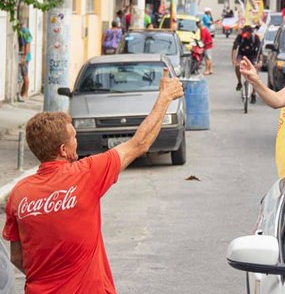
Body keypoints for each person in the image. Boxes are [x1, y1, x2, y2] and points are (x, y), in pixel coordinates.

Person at [2, 69, 183, 293]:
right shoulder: (86, 173)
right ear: (63, 150)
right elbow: (140, 143)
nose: (76, 140)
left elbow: (17, 257)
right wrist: (165, 97)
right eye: (74, 137)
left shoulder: (19, 194)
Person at [232, 25, 262, 103]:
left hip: (252, 55)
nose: (243, 34)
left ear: (249, 33)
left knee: (255, 73)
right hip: (242, 54)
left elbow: (260, 51)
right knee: (238, 66)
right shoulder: (240, 36)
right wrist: (234, 60)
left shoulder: (255, 38)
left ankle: (254, 94)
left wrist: (260, 62)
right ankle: (239, 82)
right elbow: (234, 48)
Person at [17, 22, 31, 102]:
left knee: (24, 75)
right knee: (23, 75)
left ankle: (25, 93)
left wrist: (24, 57)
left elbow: (27, 45)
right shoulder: (24, 30)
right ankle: (23, 93)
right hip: (24, 57)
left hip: (25, 57)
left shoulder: (25, 31)